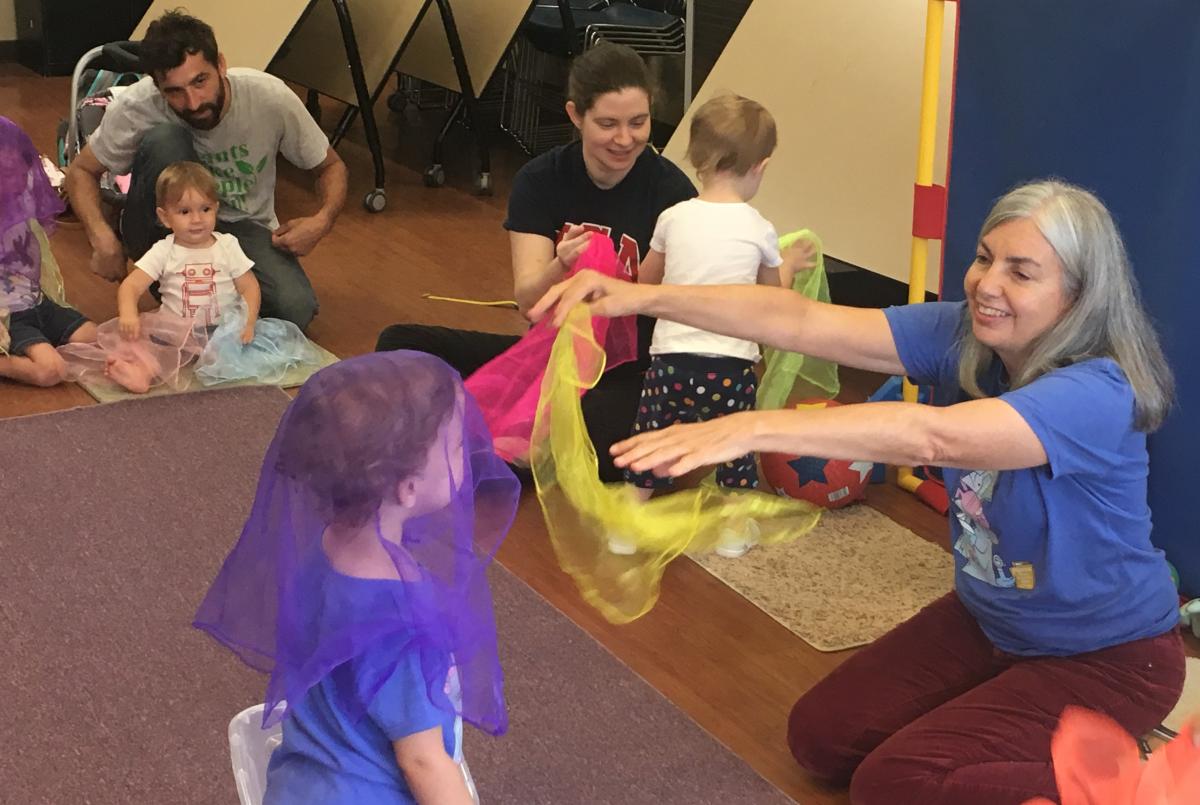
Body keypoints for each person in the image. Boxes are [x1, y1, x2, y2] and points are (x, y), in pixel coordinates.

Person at [530, 179, 1185, 804]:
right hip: (992, 621)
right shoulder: (968, 336)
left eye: (1022, 271)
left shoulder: (1098, 391)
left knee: (895, 783)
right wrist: (640, 297)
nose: (988, 282)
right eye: (985, 257)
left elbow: (932, 437)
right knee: (820, 738)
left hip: (1109, 657)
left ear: (1077, 296)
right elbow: (799, 320)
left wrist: (745, 426)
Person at [194, 351, 520, 804]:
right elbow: (423, 761)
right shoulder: (401, 621)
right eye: (457, 447)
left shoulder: (325, 549)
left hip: (299, 785)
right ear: (407, 487)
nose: (468, 454)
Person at [376, 42, 697, 482]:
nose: (625, 139)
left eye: (638, 123)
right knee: (400, 342)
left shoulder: (671, 192)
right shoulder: (541, 180)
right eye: (607, 123)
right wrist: (559, 267)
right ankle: (491, 437)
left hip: (626, 370)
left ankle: (480, 441)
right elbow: (529, 301)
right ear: (575, 115)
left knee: (604, 446)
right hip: (547, 354)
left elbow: (678, 307)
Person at [64, 9, 347, 329]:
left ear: (221, 65)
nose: (194, 101)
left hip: (242, 228)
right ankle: (172, 275)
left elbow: (331, 166)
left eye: (200, 81)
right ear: (157, 88)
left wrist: (321, 221)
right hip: (162, 227)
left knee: (295, 309)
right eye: (174, 91)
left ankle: (208, 296)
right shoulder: (137, 104)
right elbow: (80, 172)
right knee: (167, 138)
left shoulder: (270, 97)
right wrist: (101, 236)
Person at [616, 93, 810, 557]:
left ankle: (623, 526)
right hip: (728, 367)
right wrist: (791, 263)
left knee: (652, 438)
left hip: (669, 360)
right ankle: (732, 532)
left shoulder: (673, 217)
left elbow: (646, 283)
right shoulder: (758, 227)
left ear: (697, 159)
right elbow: (771, 300)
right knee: (733, 446)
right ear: (760, 167)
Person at [108, 161, 259, 392]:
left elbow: (249, 287)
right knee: (153, 352)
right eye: (185, 212)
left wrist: (248, 323)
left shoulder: (228, 246)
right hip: (174, 333)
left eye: (205, 209)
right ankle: (138, 373)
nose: (197, 219)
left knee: (239, 358)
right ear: (165, 217)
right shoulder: (164, 251)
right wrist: (128, 314)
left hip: (220, 331)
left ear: (216, 209)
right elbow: (131, 286)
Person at [0, 115, 98, 387]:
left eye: (18, 169)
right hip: (8, 318)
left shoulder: (20, 211)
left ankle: (41, 341)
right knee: (50, 371)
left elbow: (38, 262)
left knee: (94, 338)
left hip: (38, 302)